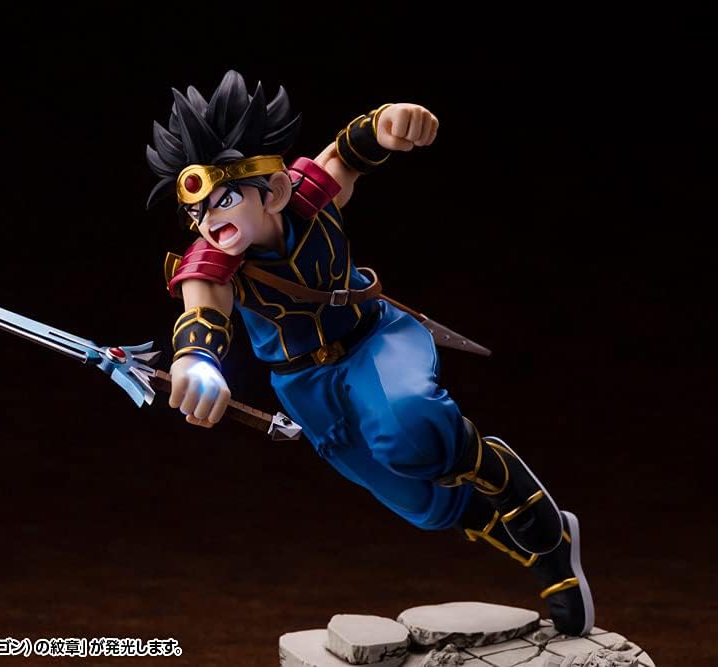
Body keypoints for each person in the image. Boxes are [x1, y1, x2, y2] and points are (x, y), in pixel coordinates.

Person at [146, 70, 594, 636]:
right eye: (196, 211)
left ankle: (533, 517)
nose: (209, 221)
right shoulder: (211, 262)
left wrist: (387, 124)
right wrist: (195, 360)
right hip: (307, 387)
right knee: (422, 503)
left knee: (409, 430)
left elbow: (346, 155)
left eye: (224, 200)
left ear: (273, 191)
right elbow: (202, 310)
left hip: (374, 341)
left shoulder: (306, 199)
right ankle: (540, 547)